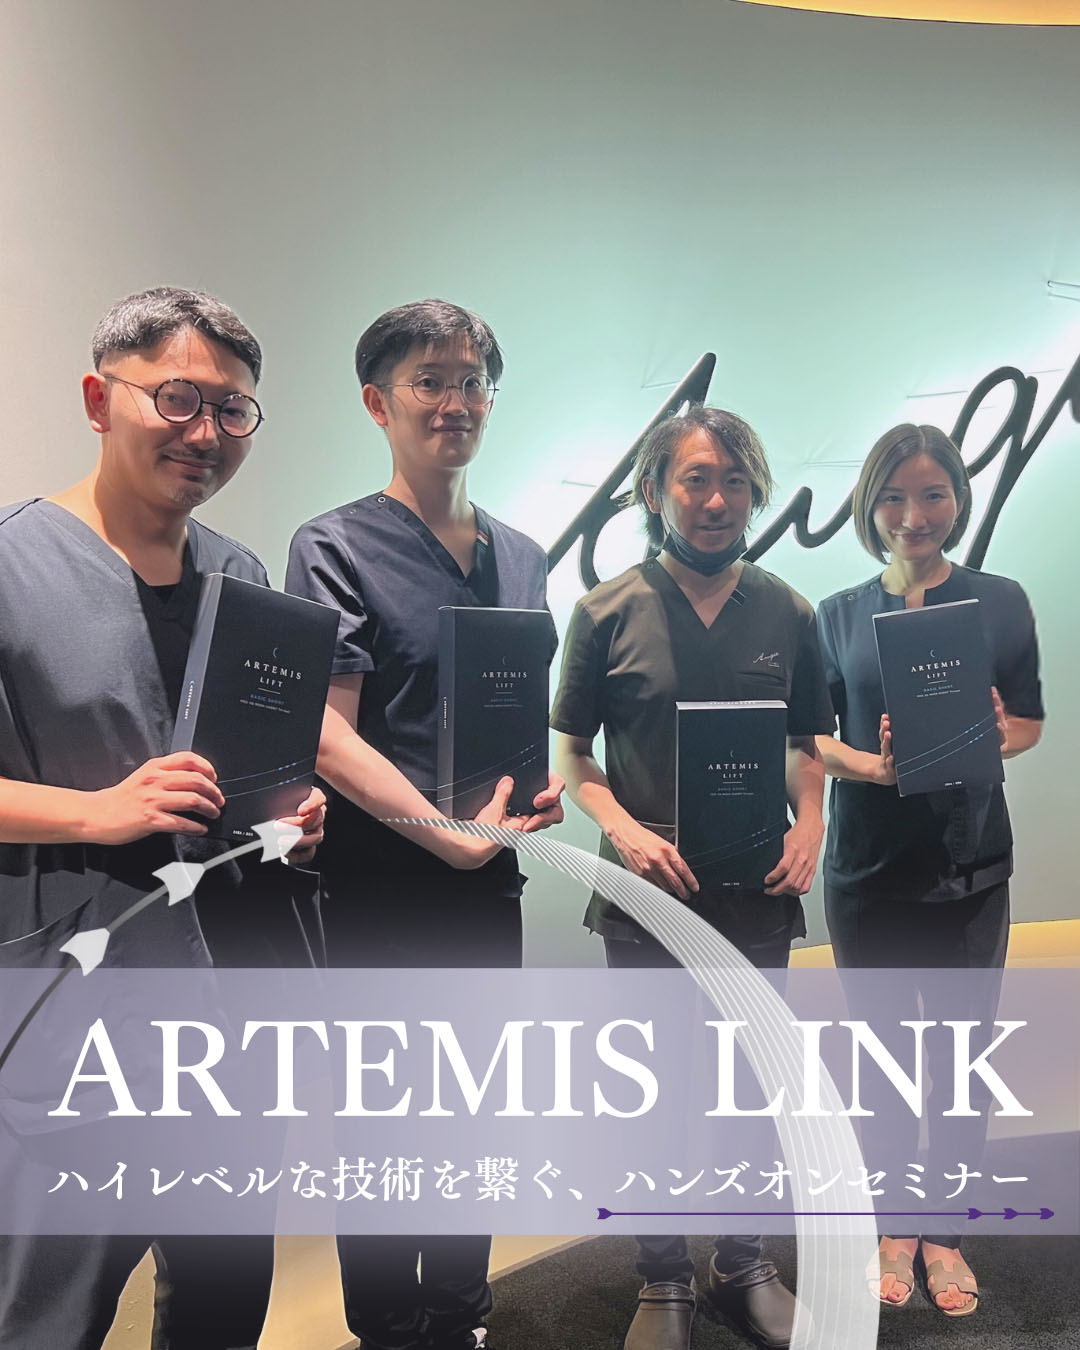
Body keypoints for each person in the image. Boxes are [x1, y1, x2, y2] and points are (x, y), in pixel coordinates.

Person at [0, 286, 326, 1348]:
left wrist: (291, 814)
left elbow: (254, 776)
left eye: (232, 410)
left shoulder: (242, 576)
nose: (206, 432)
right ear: (100, 400)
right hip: (77, 1018)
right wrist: (97, 813)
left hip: (240, 1017)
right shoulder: (12, 566)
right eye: (176, 398)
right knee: (47, 1316)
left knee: (224, 1306)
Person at [286, 298, 564, 1350]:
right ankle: (388, 1327)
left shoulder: (522, 555)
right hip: (378, 894)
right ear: (378, 403)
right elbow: (327, 732)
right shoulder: (334, 546)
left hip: (488, 887)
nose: (456, 401)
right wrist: (443, 836)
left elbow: (510, 716)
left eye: (472, 381)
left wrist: (531, 802)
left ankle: (459, 1319)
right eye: (430, 381)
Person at [551, 405, 834, 1350]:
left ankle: (742, 1264)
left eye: (735, 482)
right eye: (696, 480)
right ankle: (663, 1276)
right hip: (648, 900)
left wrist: (811, 822)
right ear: (654, 491)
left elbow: (805, 747)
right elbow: (572, 757)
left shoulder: (789, 612)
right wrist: (623, 831)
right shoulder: (606, 611)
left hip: (757, 895)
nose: (717, 501)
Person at [814, 422, 1043, 1319]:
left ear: (958, 499)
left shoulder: (1001, 600)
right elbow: (814, 739)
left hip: (970, 865)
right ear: (870, 506)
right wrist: (874, 768)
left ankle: (943, 1230)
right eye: (894, 497)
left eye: (933, 494)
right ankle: (891, 1226)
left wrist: (993, 736)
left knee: (957, 1061)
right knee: (881, 1062)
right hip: (868, 868)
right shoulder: (834, 615)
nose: (914, 515)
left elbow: (1027, 723)